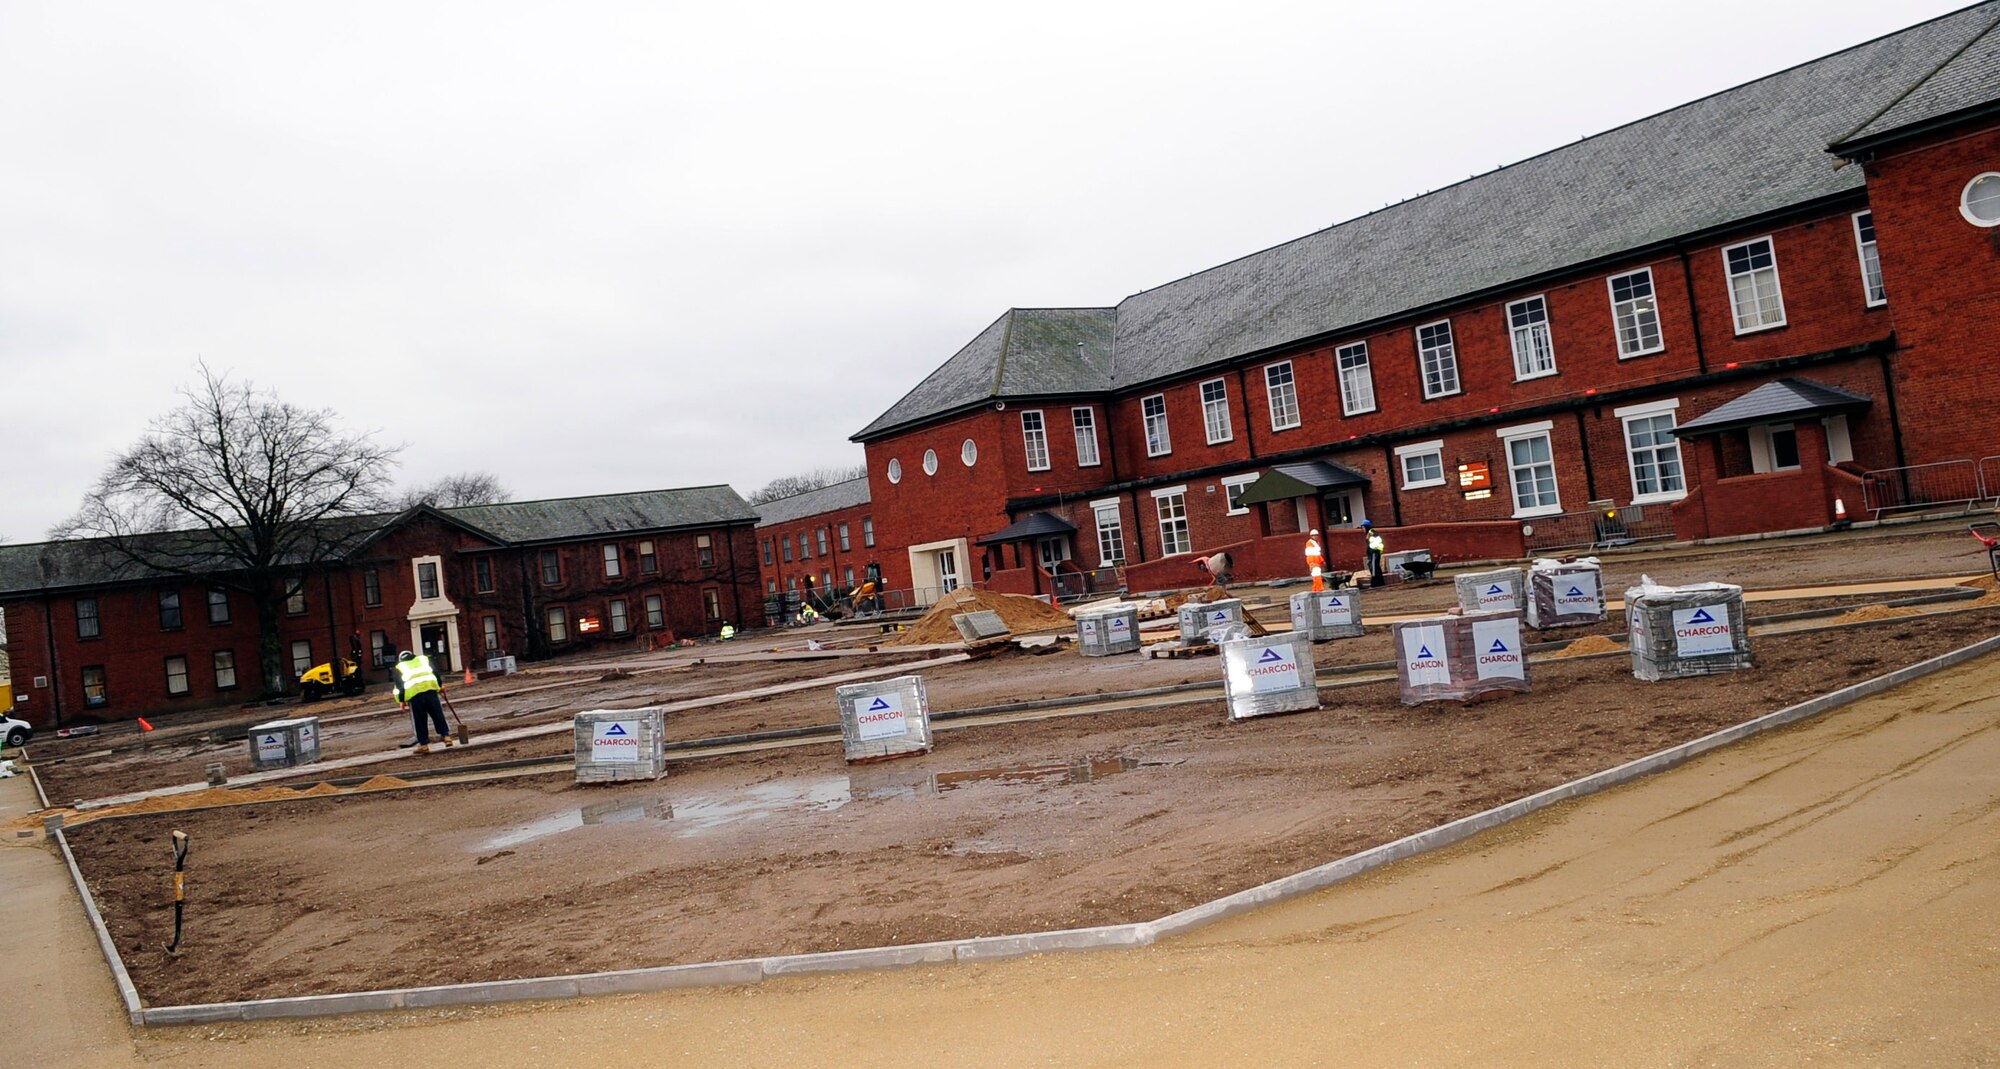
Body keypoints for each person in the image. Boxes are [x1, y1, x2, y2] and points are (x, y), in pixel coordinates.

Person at [393, 650, 453, 755]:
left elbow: (400, 686)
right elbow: (435, 674)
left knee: (419, 720)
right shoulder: (423, 659)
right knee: (437, 714)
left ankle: (424, 745)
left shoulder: (400, 667)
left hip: (415, 696)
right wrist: (439, 687)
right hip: (431, 692)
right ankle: (446, 737)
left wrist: (402, 701)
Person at [1363, 520, 1387, 586]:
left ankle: (1375, 583)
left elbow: (1375, 543)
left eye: (1363, 527)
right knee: (1376, 567)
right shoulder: (1371, 533)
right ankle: (1380, 582)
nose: (1363, 529)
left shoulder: (1372, 532)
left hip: (1374, 552)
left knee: (1373, 567)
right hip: (1374, 552)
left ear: (1366, 527)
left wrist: (1372, 551)